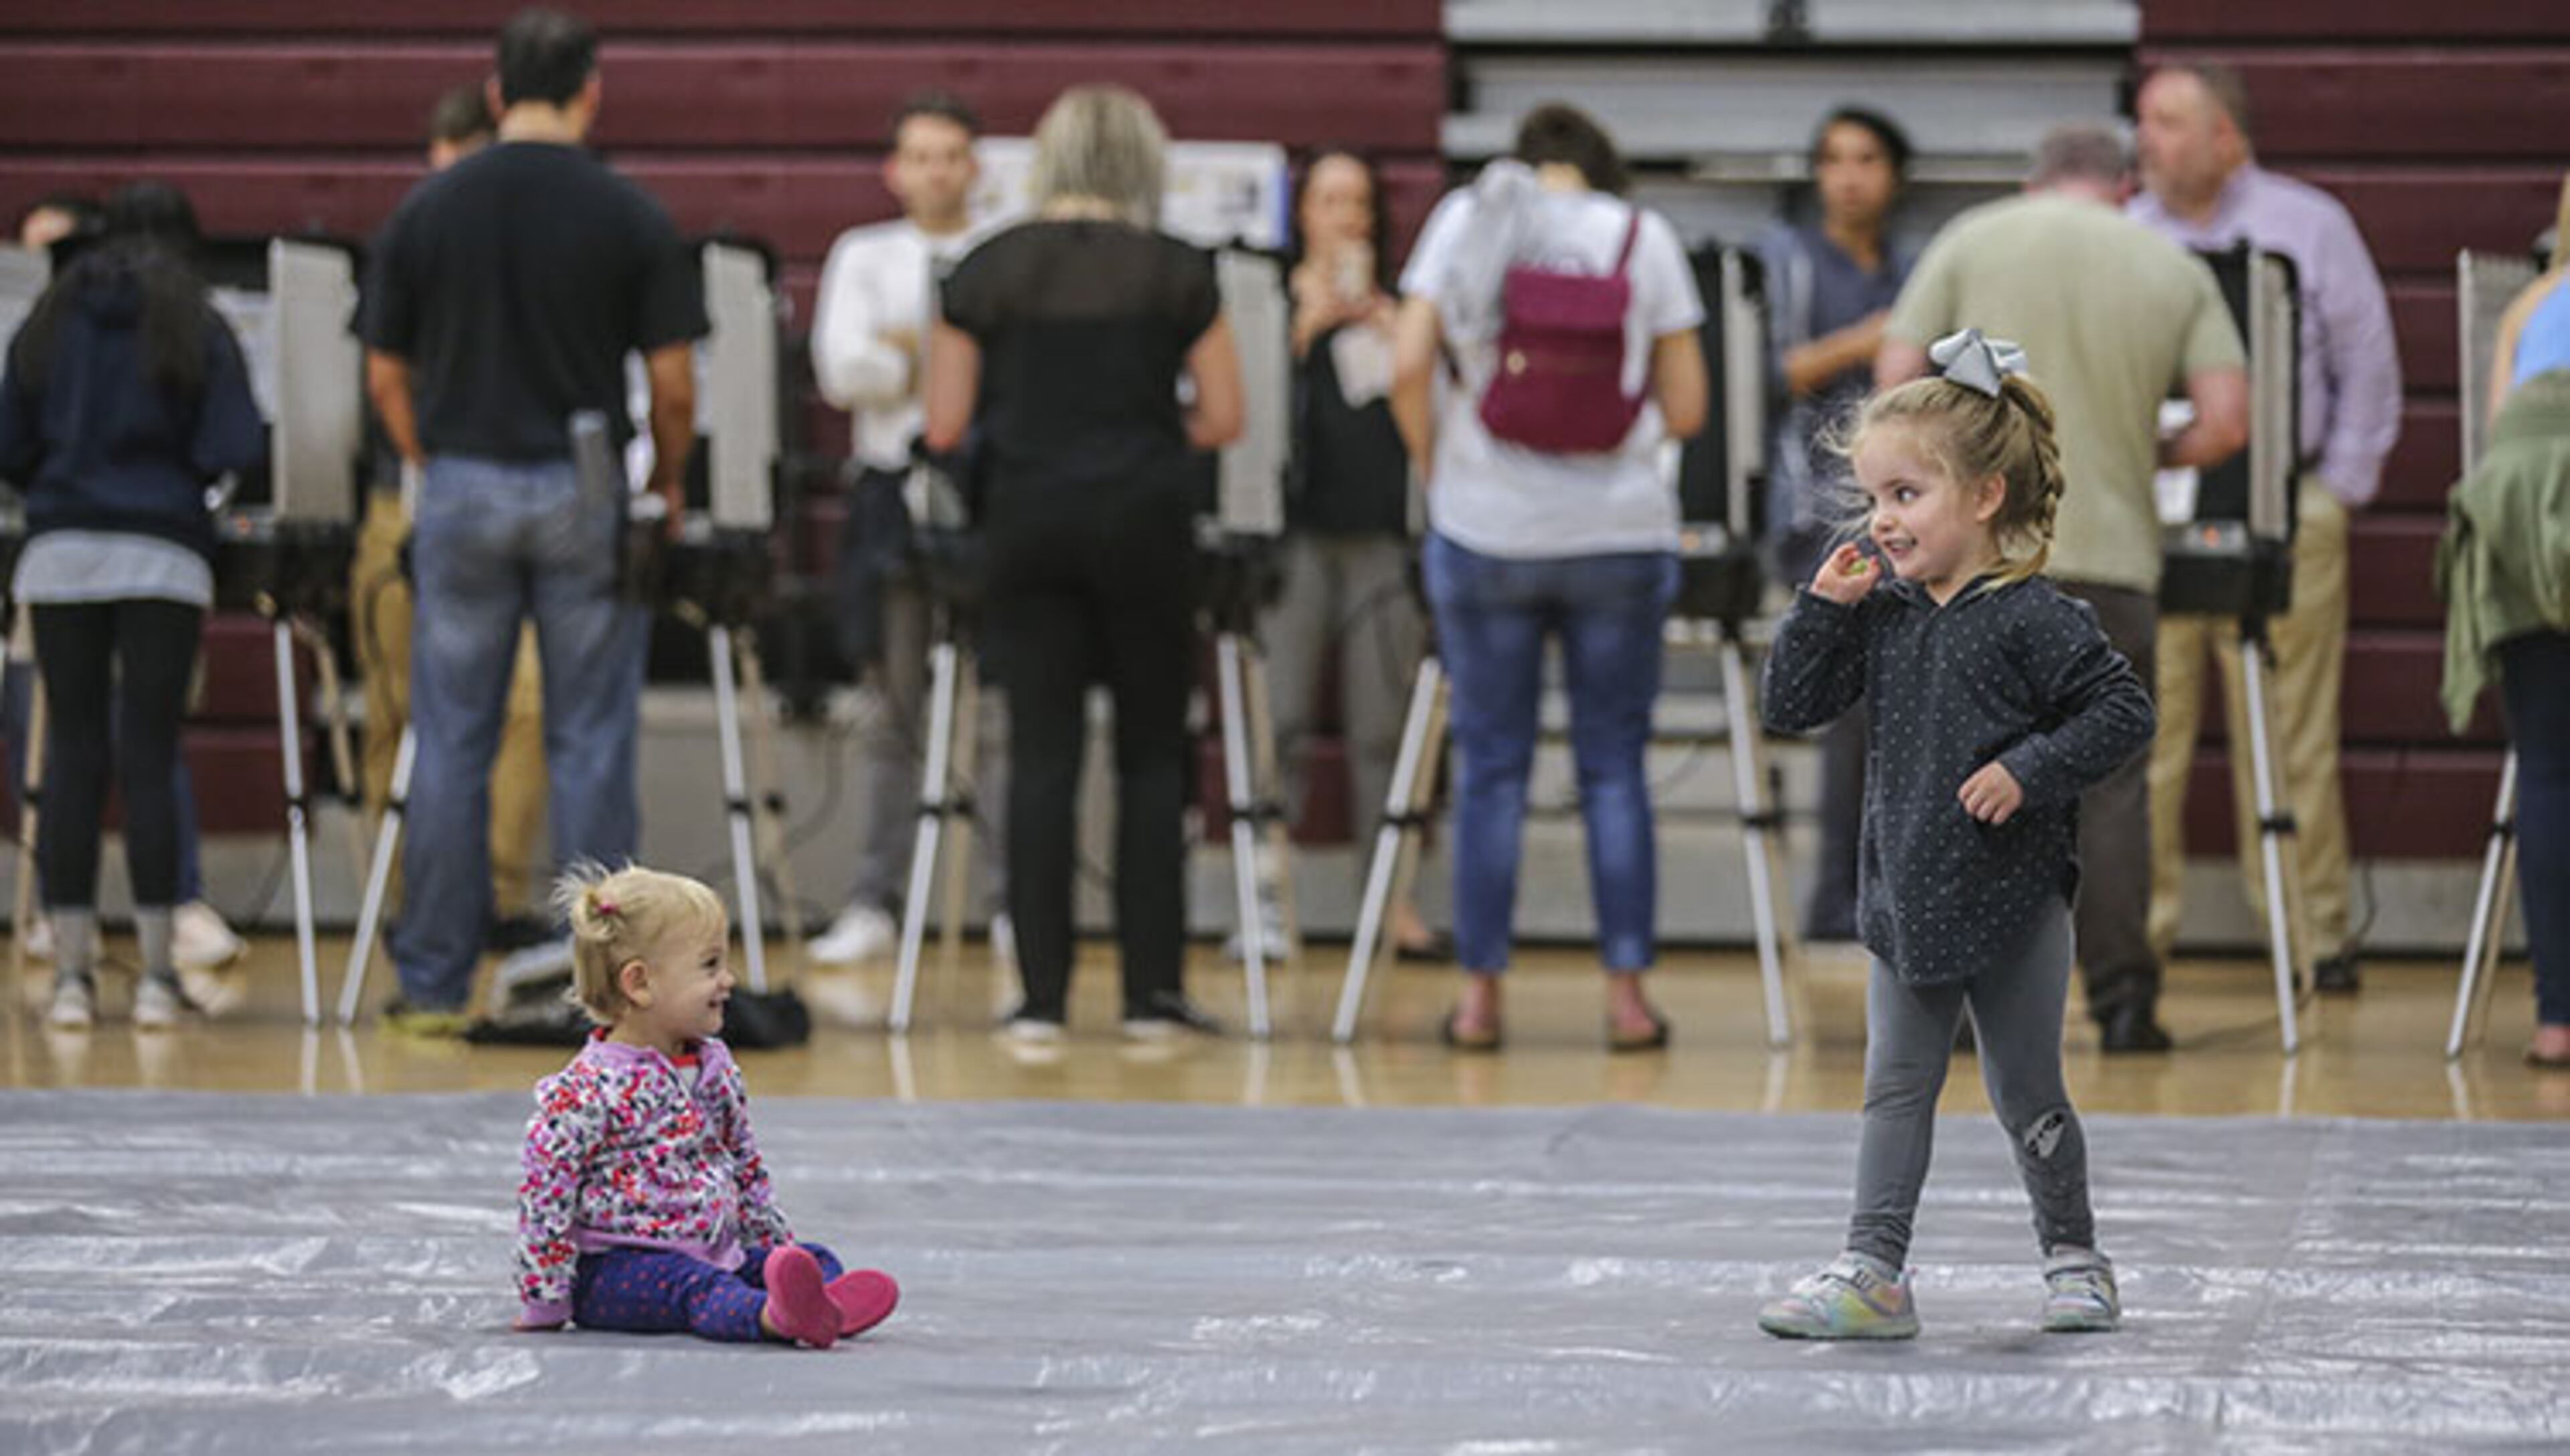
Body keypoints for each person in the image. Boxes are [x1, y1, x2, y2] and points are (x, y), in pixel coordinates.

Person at [1755, 331, 2155, 1340]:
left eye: (1906, 495)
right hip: (1903, 900)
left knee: (2028, 1092)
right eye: (1876, 498)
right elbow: (1790, 705)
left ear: (1984, 497)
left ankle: (2074, 1254)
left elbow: (2123, 713)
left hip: (2015, 902)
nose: (1884, 521)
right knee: (1895, 1087)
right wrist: (1819, 610)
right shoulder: (1881, 615)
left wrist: (2029, 771)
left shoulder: (2036, 618)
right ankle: (1875, 1268)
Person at [362, 7, 705, 1032]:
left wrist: (435, 460)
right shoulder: (629, 212)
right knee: (589, 740)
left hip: (462, 480)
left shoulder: (427, 211)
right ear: (592, 91)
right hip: (582, 478)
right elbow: (675, 383)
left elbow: (386, 374)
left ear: (499, 92)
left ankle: (429, 983)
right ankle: (606, 993)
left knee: (451, 739)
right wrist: (670, 480)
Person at [1879, 122, 2248, 1053]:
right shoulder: (2170, 265)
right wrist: (2133, 450)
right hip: (2114, 559)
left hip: (1976, 569)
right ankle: (2124, 1002)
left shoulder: (1972, 239)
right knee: (2113, 786)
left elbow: (1894, 384)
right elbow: (2227, 423)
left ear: (2033, 180)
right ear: (2124, 186)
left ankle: (1960, 1003)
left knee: (1967, 780)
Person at [926, 84, 1241, 1042]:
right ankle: (1151, 994)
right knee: (1154, 754)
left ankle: (1040, 999)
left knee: (1042, 755)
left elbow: (943, 423)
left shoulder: (987, 268)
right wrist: (1143, 438)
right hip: (1146, 522)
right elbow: (1225, 418)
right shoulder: (1179, 270)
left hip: (1027, 524)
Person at [1389, 104, 1707, 1053]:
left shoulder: (1467, 218)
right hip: (1616, 533)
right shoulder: (1643, 237)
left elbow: (1408, 361)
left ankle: (1482, 1001)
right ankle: (1628, 1001)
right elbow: (1686, 405)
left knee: (1490, 769)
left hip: (1486, 532)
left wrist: (1440, 469)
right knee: (1614, 768)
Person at [2131, 62, 2402, 995]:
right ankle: (2137, 944)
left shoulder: (2308, 223)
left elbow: (2370, 365)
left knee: (2290, 738)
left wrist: (2334, 494)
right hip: (2157, 509)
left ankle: (2313, 937)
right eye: (2143, 122)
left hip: (2290, 504)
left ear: (2226, 139)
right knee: (2144, 737)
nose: (2148, 140)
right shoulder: (2130, 236)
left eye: (2168, 121)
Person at [0, 182, 264, 1029]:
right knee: (150, 755)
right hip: (164, 555)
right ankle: (156, 979)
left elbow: (9, 442)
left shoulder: (49, 315)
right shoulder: (196, 319)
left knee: (72, 756)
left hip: (60, 553)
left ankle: (72, 979)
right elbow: (233, 444)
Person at [512, 863, 900, 1345]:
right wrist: (545, 1299)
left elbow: (745, 1165)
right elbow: (545, 1194)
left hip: (715, 1247)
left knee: (814, 1259)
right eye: (710, 965)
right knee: (701, 1290)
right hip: (617, 1269)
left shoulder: (712, 1066)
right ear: (640, 984)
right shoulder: (588, 1089)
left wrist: (777, 1254)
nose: (729, 980)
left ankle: (815, 1302)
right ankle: (774, 1318)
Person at [806, 88, 1009, 982]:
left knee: (999, 713)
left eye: (952, 154)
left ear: (975, 167)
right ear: (896, 170)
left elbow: (1008, 373)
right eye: (920, 155)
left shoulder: (1003, 255)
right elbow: (845, 370)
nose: (937, 170)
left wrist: (914, 348)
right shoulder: (864, 254)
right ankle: (873, 901)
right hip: (892, 493)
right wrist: (941, 349)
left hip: (992, 489)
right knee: (891, 711)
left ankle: (1010, 905)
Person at [347, 82, 552, 949]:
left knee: (526, 707)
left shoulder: (537, 259)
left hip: (492, 496)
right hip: (404, 498)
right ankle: (408, 910)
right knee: (398, 716)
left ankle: (491, 901)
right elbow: (379, 373)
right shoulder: (414, 240)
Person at [1256, 146, 1440, 962]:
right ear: (1303, 215)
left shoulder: (1402, 315)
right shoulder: (1267, 306)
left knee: (1380, 729)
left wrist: (1391, 332)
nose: (1345, 218)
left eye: (1359, 203)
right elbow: (1246, 412)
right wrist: (1304, 330)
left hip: (1380, 542)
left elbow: (1431, 421)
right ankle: (1266, 900)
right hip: (1293, 540)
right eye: (1330, 202)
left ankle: (1389, 901)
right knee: (1281, 721)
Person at [1757, 105, 1916, 942]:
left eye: (1866, 158)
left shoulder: (1919, 266)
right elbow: (1762, 375)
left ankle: (1884, 901)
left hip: (1911, 515)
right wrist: (1868, 339)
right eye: (1832, 159)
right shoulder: (1787, 262)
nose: (1847, 175)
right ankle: (1840, 906)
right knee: (1856, 708)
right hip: (1817, 512)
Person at [2437, 177, 2570, 1069]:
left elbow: (2491, 434)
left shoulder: (2532, 300)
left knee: (2550, 770)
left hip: (2522, 509)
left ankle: (2557, 1018)